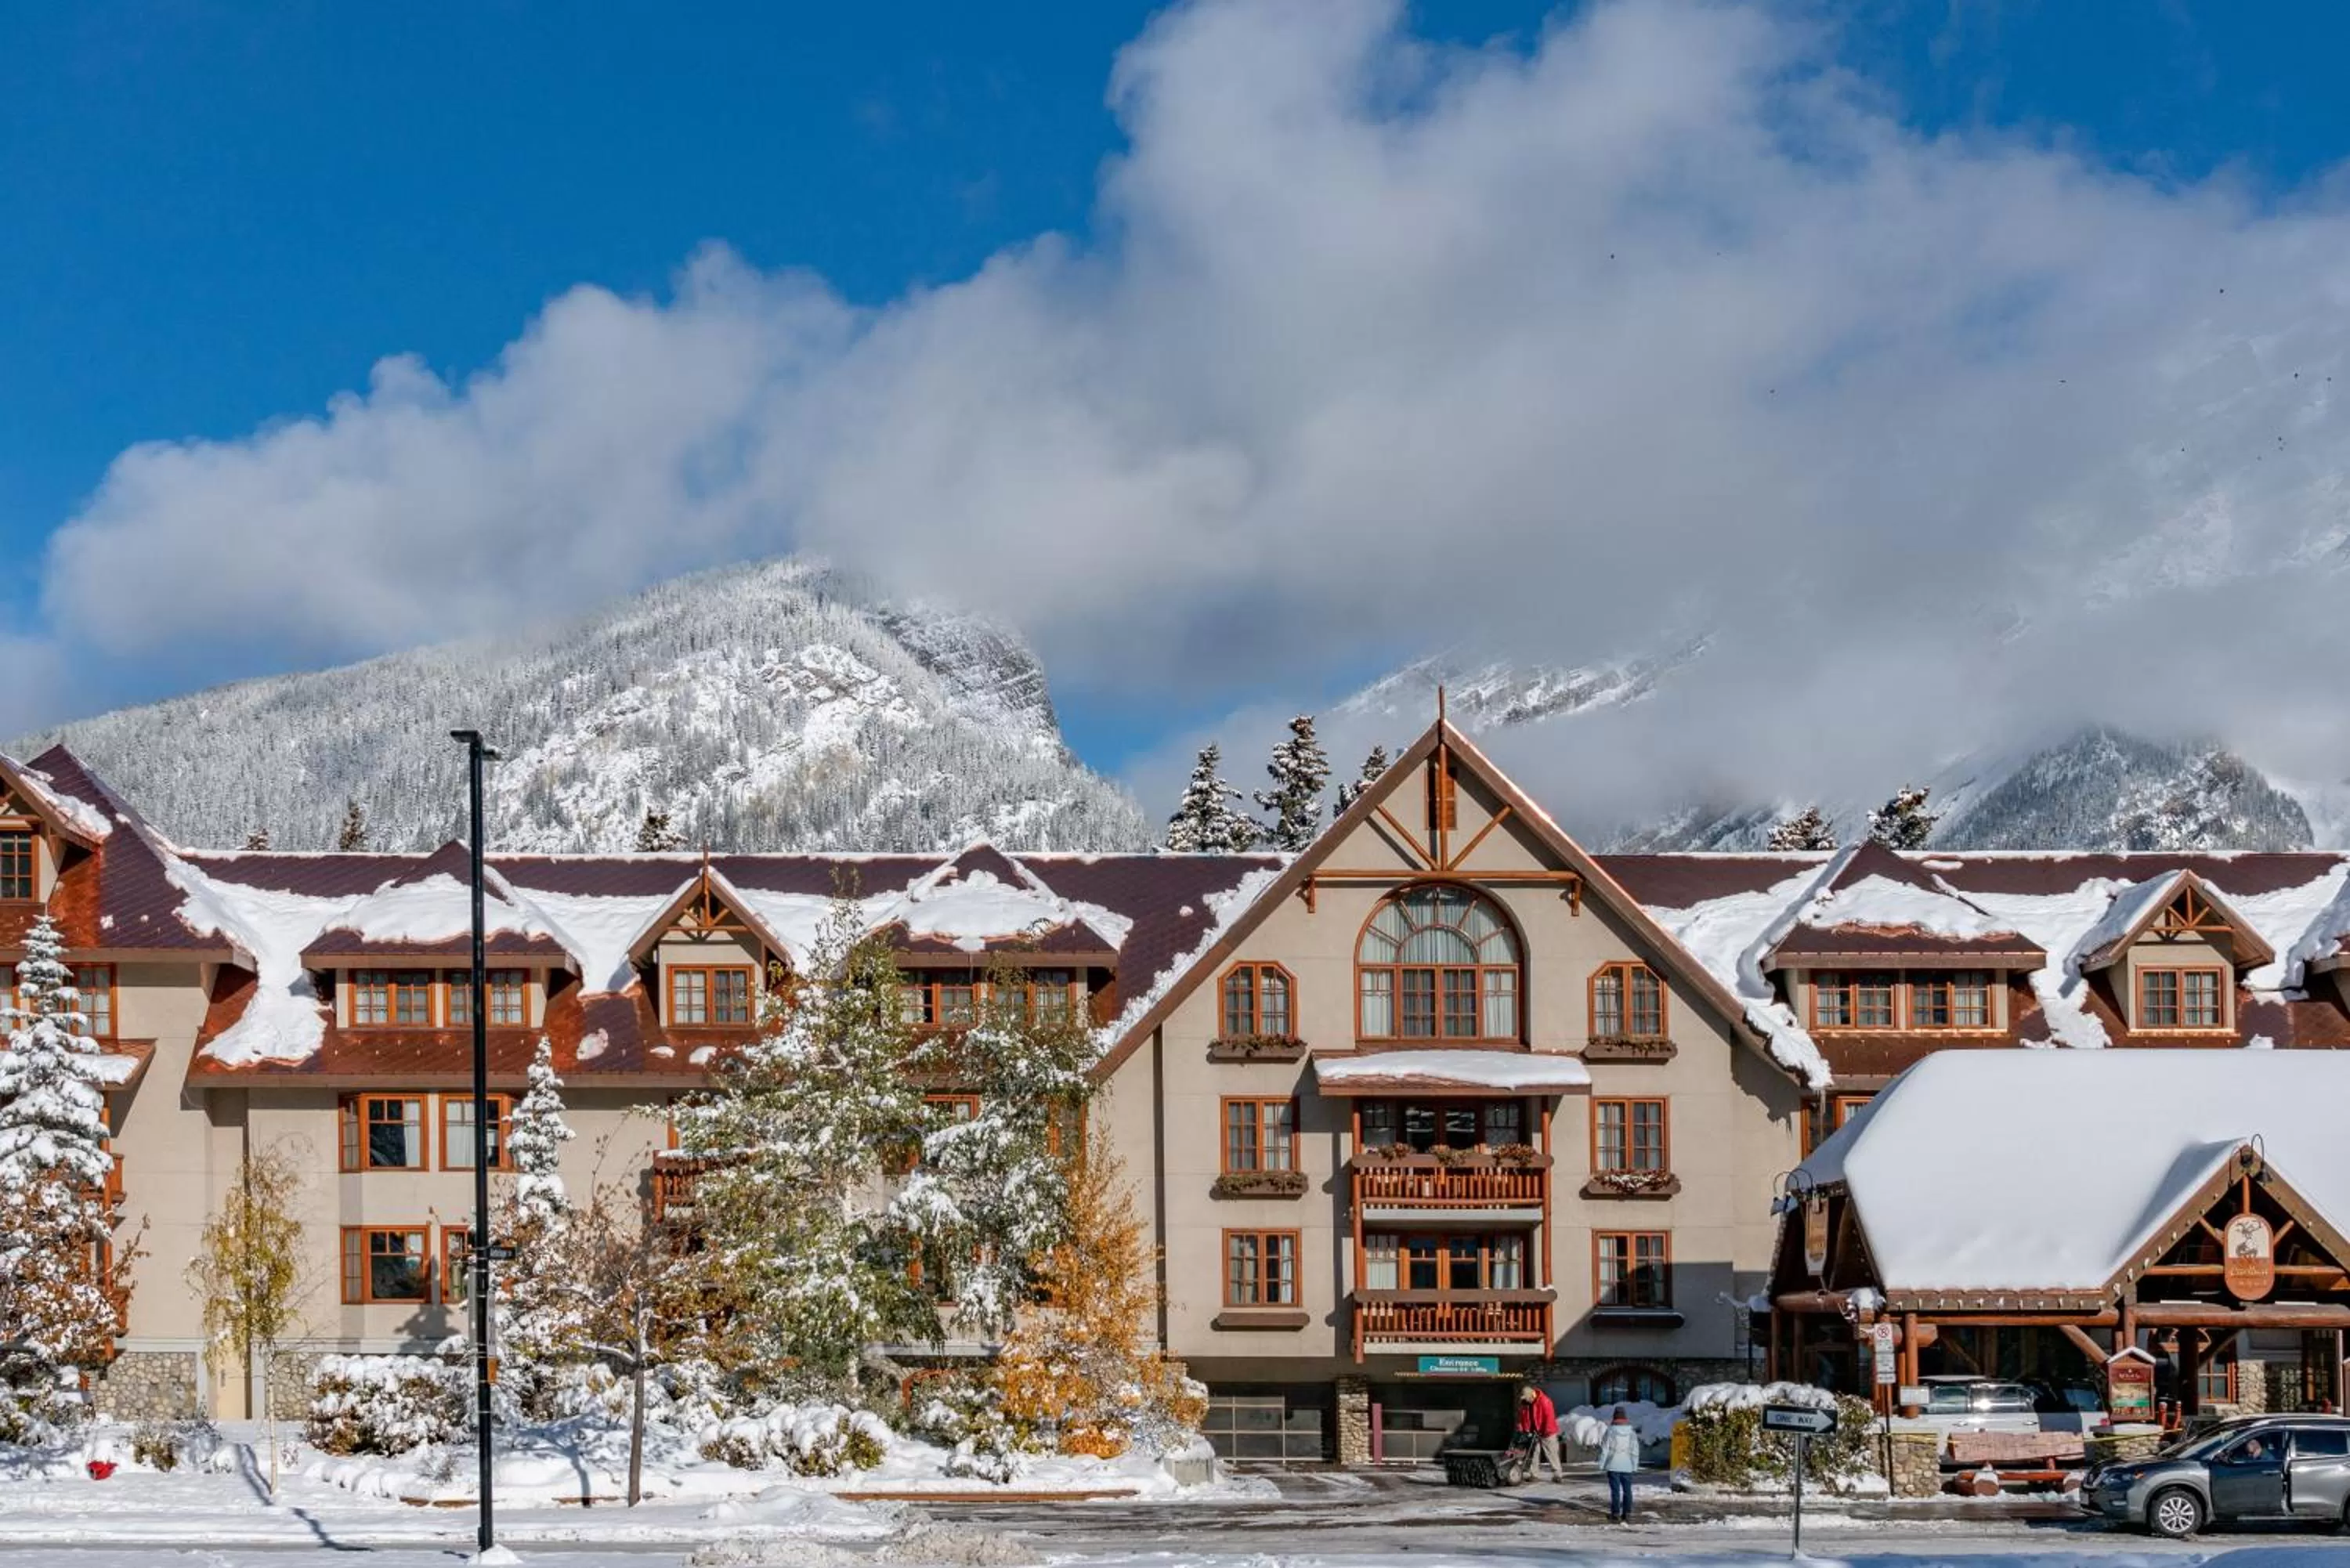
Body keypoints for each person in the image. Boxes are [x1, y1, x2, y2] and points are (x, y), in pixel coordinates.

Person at [1598, 1405, 1641, 1523]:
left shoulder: (1610, 1431)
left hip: (1613, 1465)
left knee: (1615, 1491)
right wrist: (1634, 1465)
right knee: (1628, 1490)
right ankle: (1627, 1513)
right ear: (1625, 1418)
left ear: (1614, 1417)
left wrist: (1601, 1464)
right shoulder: (1631, 1433)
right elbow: (1635, 1450)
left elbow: (1605, 1449)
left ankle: (1616, 1513)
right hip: (1627, 1466)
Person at [1516, 1383, 1564, 1481]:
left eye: (1526, 1398)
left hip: (1547, 1431)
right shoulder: (1525, 1404)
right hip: (1534, 1431)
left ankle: (1557, 1475)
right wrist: (1523, 1429)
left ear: (1531, 1395)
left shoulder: (1545, 1401)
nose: (1525, 1400)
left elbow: (1549, 1418)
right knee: (1534, 1453)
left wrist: (1545, 1431)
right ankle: (1534, 1474)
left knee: (1551, 1453)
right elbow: (1523, 1418)